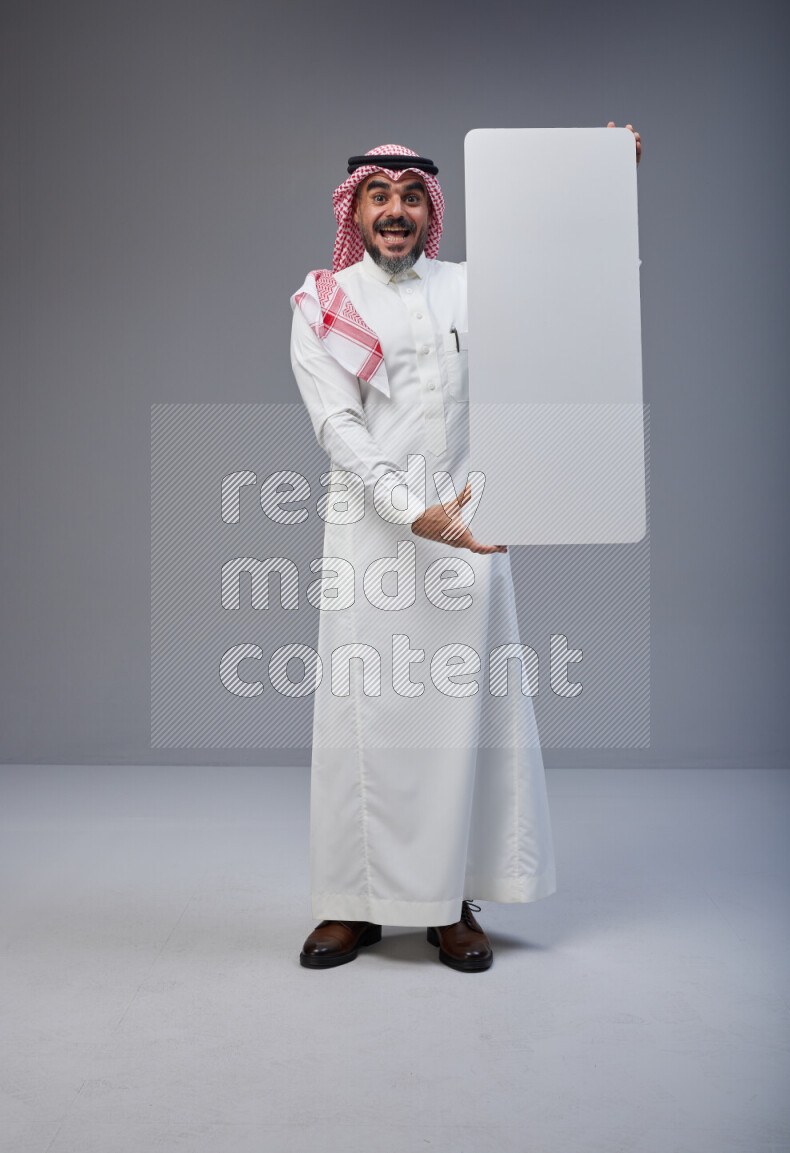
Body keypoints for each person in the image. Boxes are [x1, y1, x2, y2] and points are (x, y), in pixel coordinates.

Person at [289, 128, 642, 973]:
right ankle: (352, 903)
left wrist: (600, 183)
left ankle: (453, 904)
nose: (396, 212)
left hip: (470, 531)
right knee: (363, 725)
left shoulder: (472, 289)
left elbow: (570, 294)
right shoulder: (323, 300)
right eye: (379, 196)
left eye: (411, 196)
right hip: (375, 536)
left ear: (430, 210)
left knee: (463, 727)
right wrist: (416, 514)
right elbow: (338, 427)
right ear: (357, 210)